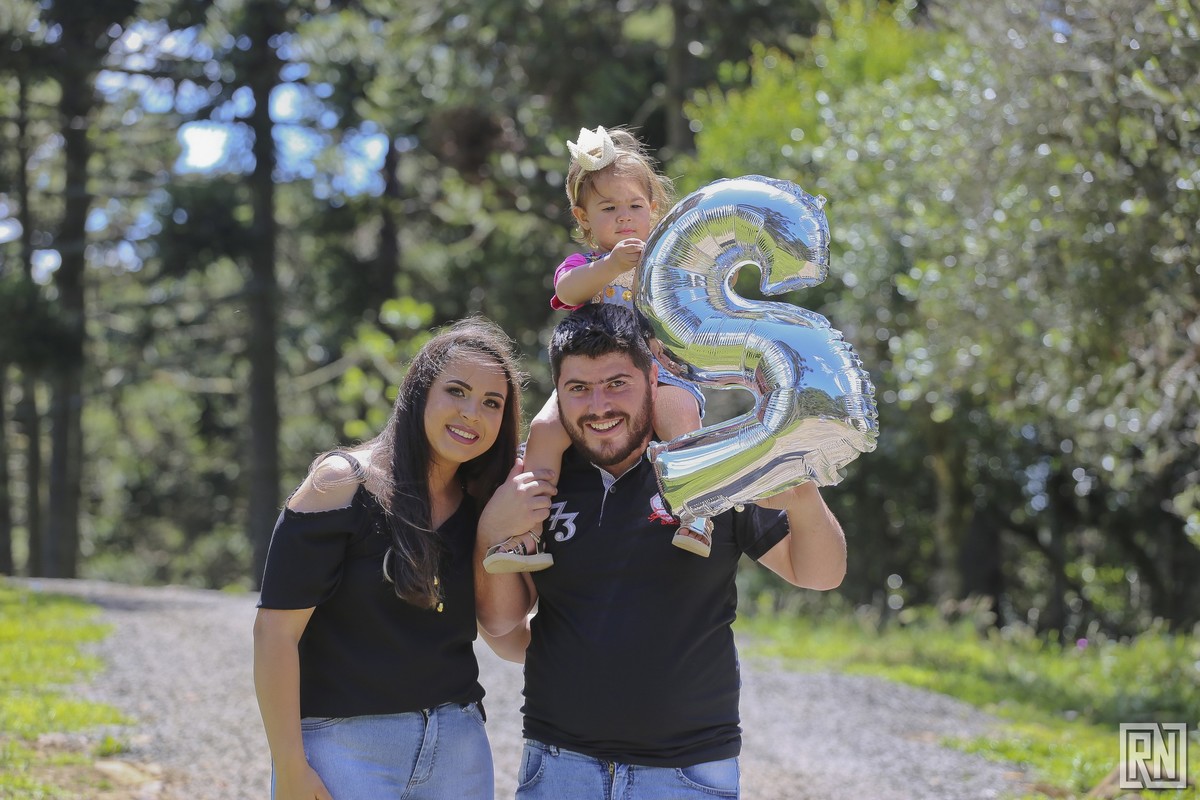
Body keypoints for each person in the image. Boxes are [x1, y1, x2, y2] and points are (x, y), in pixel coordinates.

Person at [474, 303, 848, 800]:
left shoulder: (713, 468)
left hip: (686, 773)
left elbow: (820, 573)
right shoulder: (537, 482)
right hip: (560, 766)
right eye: (578, 388)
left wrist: (801, 496)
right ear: (556, 394)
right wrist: (491, 530)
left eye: (617, 384)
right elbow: (504, 626)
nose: (599, 406)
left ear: (654, 379)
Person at [254, 317, 525, 800]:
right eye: (457, 391)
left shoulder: (484, 505)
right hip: (344, 748)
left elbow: (504, 631)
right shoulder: (341, 484)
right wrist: (290, 766)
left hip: (458, 749)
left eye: (492, 403)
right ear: (420, 392)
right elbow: (274, 633)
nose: (472, 414)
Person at [482, 125, 710, 575]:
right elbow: (567, 291)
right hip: (591, 383)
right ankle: (529, 531)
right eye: (608, 208)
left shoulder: (669, 264)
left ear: (654, 209)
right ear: (583, 217)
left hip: (663, 373)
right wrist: (611, 265)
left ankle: (697, 512)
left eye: (635, 206)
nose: (624, 217)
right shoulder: (584, 266)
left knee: (681, 415)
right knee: (545, 429)